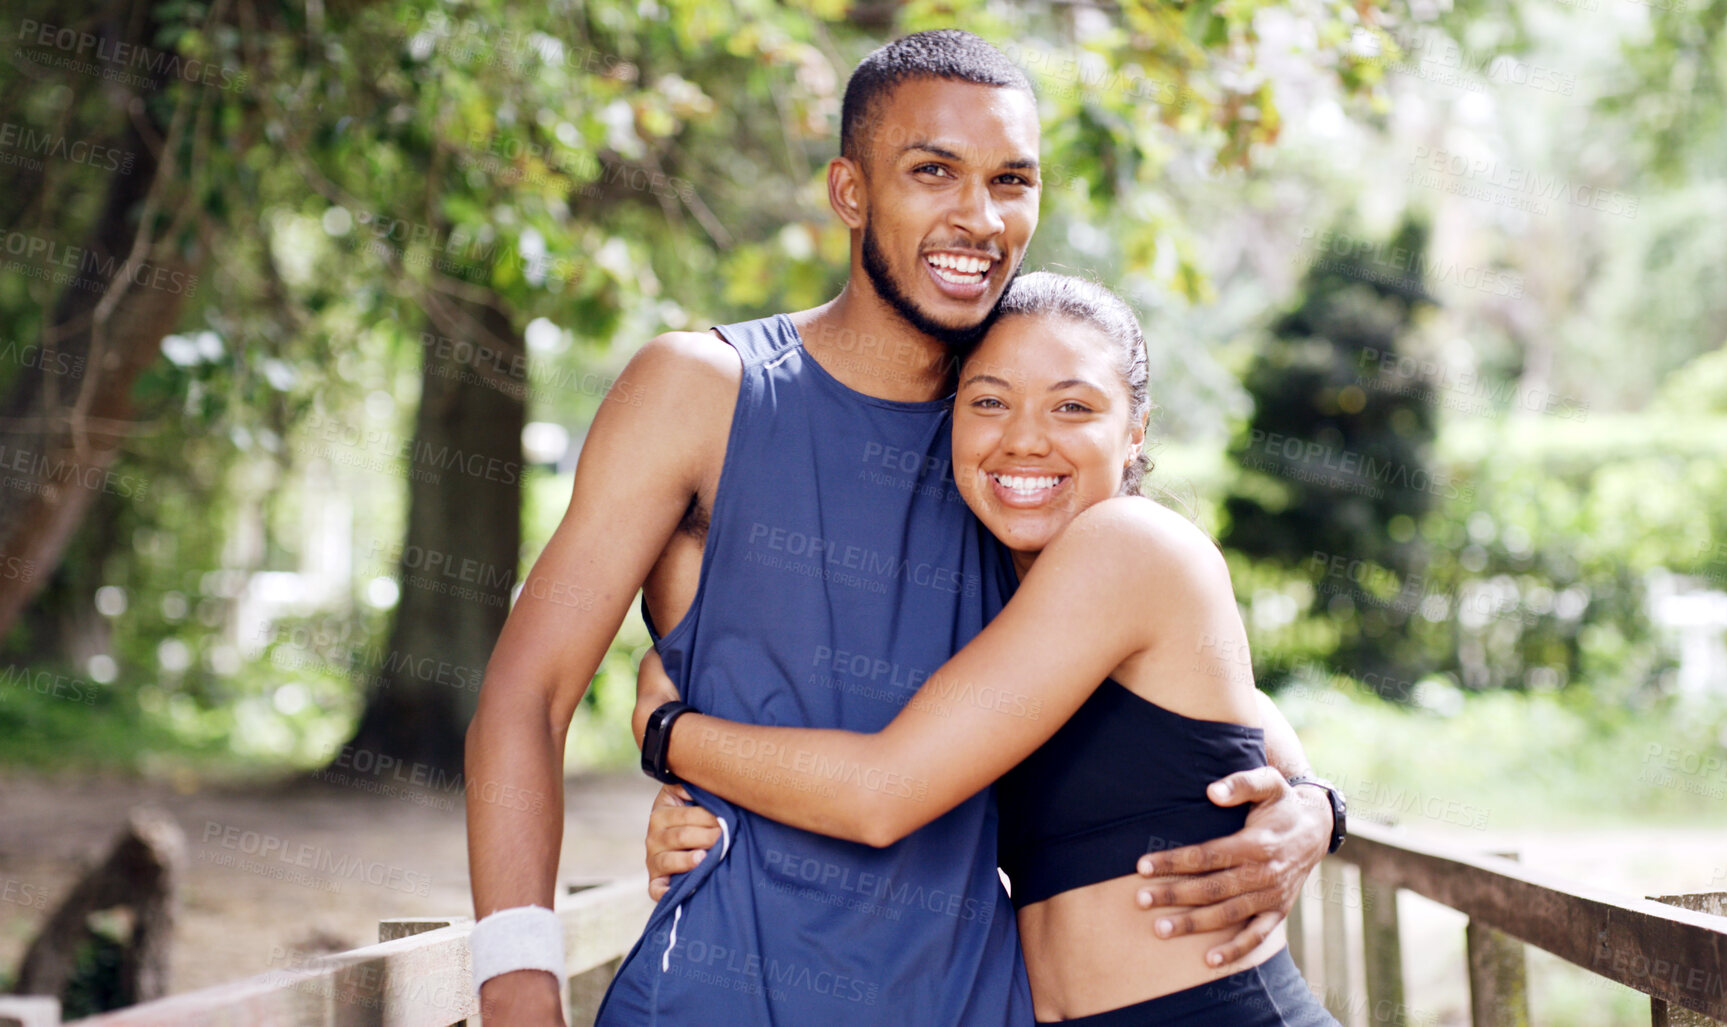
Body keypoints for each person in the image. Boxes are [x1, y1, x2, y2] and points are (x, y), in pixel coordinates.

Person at [464, 30, 1335, 1027]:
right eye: (934, 172)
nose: (979, 215)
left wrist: (1313, 803)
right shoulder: (706, 392)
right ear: (849, 191)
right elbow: (526, 695)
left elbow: (1192, 690)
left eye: (1012, 179)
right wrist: (519, 980)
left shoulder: (1016, 470)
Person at [637, 273, 1342, 1026]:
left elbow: (881, 795)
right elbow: (1239, 712)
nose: (1025, 438)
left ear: (1135, 428)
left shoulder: (1131, 544)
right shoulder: (984, 596)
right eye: (988, 401)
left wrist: (669, 735)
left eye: (1072, 406)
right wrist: (1312, 797)